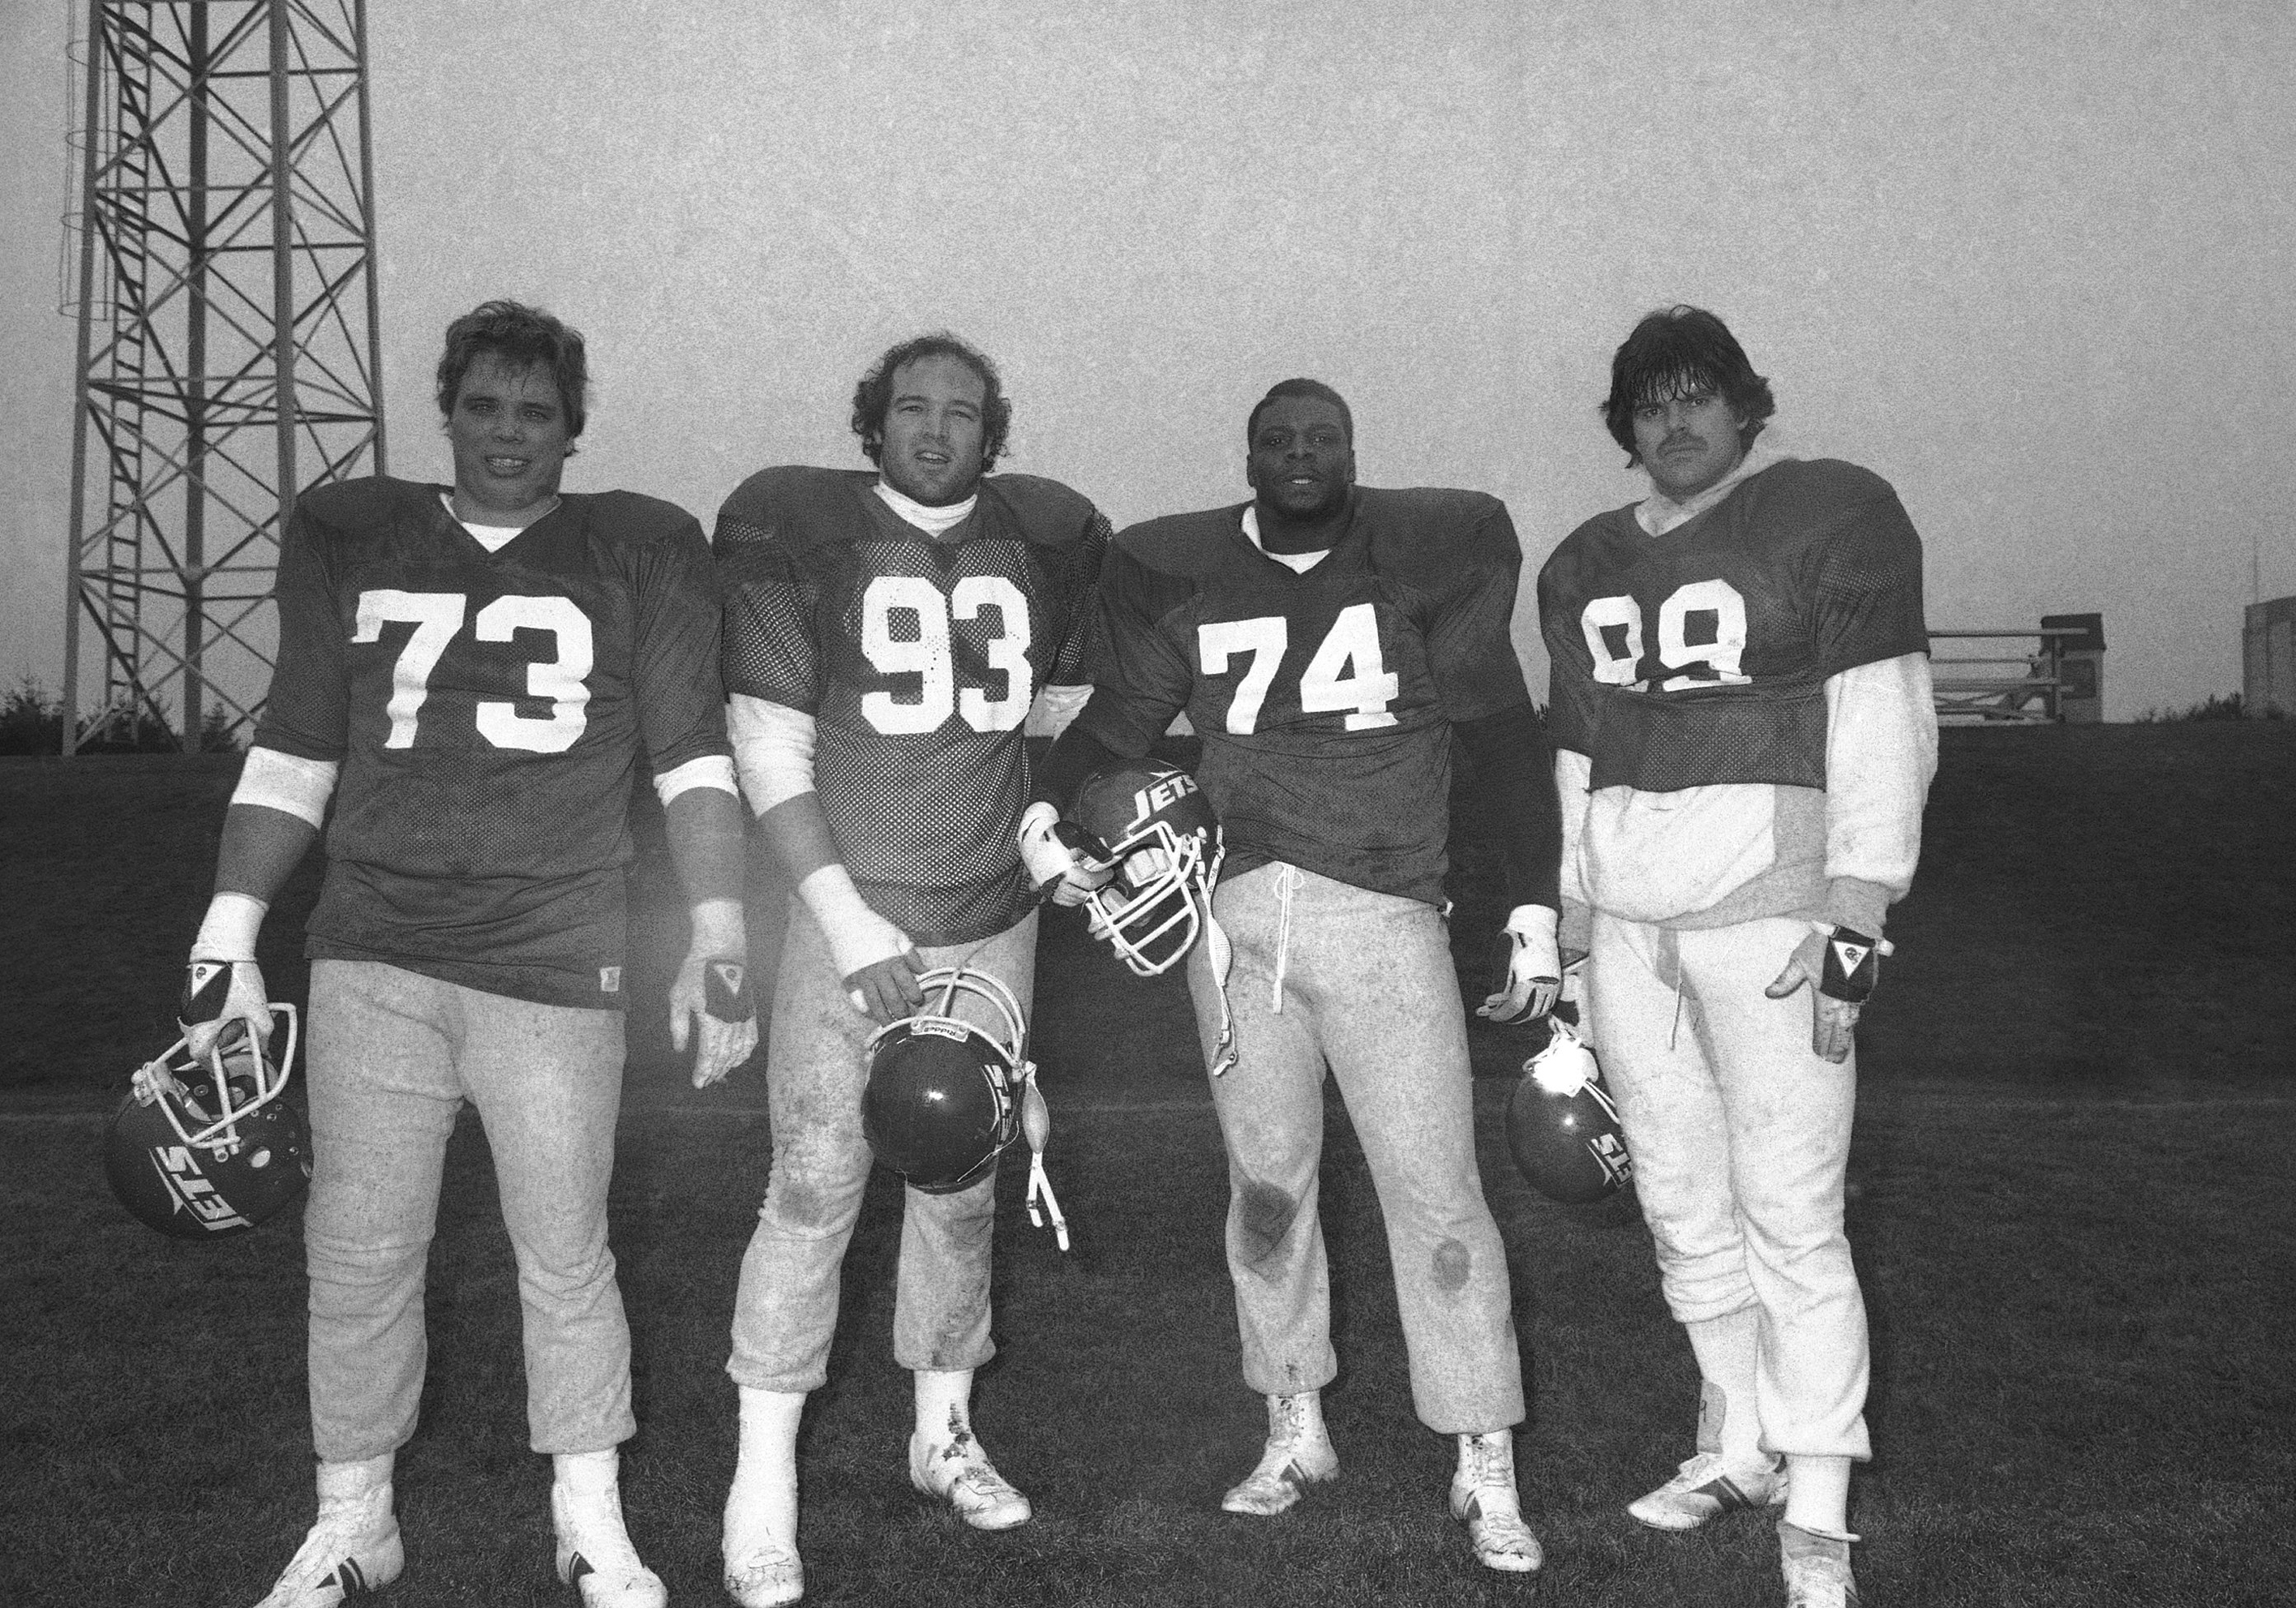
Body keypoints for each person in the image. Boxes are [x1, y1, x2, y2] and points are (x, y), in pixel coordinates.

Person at [178, 300, 760, 1608]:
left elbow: (691, 757)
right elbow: (298, 747)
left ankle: (591, 1521)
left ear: (574, 427)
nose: (509, 434)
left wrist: (718, 929)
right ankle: (351, 1522)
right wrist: (231, 929)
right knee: (358, 1248)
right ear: (446, 409)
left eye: (536, 413)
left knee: (564, 1252)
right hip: (374, 947)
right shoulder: (355, 535)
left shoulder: (638, 549)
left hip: (554, 958)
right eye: (485, 407)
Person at [1024, 379, 1564, 1575]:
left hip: (1381, 914)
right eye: (1279, 440)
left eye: (1322, 438)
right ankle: (1292, 1420)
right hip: (1231, 918)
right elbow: (1115, 725)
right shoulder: (1185, 573)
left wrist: (1531, 900)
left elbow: (1499, 738)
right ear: (1249, 455)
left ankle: (1483, 1455)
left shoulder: (1425, 558)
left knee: (1435, 1192)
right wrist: (1046, 811)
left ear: (1353, 451)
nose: (1301, 456)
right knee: (1265, 1189)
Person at [1534, 305, 1937, 1608]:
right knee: (1679, 1202)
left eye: (1699, 393)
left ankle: (1817, 1500)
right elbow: (1578, 758)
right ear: (1624, 427)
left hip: (1771, 913)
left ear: (1749, 406)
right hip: (1634, 924)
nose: (1674, 419)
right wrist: (1574, 918)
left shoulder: (1826, 514)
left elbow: (1883, 711)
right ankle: (1739, 1441)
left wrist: (1858, 909)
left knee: (1791, 1217)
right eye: (1650, 401)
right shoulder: (1585, 559)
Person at [709, 333, 1107, 1608]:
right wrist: (846, 922)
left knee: (961, 1186)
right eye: (912, 409)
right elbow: (767, 753)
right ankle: (759, 1487)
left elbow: (1057, 724)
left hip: (991, 918)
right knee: (814, 1188)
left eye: (962, 413)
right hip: (854, 921)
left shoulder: (1038, 543)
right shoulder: (799, 536)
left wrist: (1052, 825)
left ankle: (942, 1434)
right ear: (870, 425)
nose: (936, 431)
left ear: (995, 433)